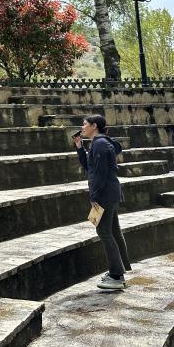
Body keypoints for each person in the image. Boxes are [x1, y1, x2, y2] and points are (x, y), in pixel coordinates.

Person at [74, 114, 131, 291]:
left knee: (104, 231)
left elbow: (99, 175)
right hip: (110, 193)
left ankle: (116, 275)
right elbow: (90, 168)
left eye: (84, 125)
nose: (82, 127)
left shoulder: (99, 145)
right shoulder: (100, 143)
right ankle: (120, 270)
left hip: (105, 194)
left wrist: (94, 197)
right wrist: (79, 148)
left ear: (94, 126)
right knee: (113, 230)